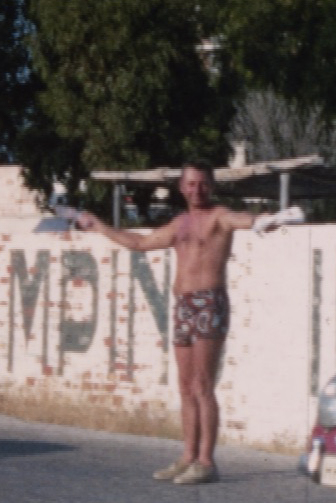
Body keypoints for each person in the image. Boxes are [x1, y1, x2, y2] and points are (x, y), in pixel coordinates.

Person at [78, 159, 273, 485]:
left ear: (212, 186)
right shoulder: (179, 224)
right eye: (191, 184)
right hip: (182, 304)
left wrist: (265, 220)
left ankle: (206, 461)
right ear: (182, 187)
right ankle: (187, 457)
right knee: (185, 386)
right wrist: (99, 226)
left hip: (209, 302)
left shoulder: (218, 217)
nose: (197, 190)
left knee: (202, 385)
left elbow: (243, 219)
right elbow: (140, 244)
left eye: (203, 183)